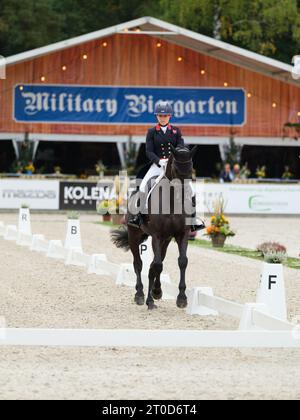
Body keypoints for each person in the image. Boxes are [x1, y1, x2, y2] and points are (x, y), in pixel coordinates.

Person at [127, 100, 204, 231]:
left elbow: (180, 147)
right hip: (157, 166)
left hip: (173, 166)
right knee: (143, 186)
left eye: (165, 115)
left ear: (170, 116)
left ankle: (193, 220)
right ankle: (138, 217)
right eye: (160, 116)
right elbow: (149, 151)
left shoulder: (176, 131)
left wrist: (172, 160)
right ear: (157, 116)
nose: (163, 118)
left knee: (191, 189)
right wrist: (159, 161)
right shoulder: (151, 132)